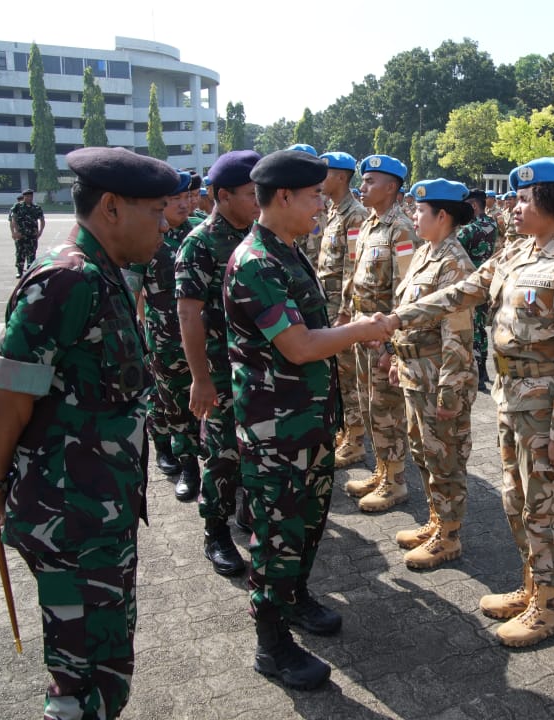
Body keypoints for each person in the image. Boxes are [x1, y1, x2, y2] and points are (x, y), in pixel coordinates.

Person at [0, 147, 180, 719]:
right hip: (71, 523)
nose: (166, 224)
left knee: (101, 664)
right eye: (156, 211)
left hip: (96, 516)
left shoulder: (105, 275)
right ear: (111, 207)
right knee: (83, 677)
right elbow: (3, 398)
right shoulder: (67, 281)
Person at [384, 157, 554, 647]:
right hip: (511, 399)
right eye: (516, 198)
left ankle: (549, 605)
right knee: (516, 501)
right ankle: (531, 585)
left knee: (546, 508)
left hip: (547, 411)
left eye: (524, 199)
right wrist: (399, 318)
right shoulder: (517, 253)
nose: (513, 207)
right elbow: (461, 291)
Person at [223, 149, 392, 690]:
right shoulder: (256, 262)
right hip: (276, 431)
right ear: (284, 198)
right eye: (315, 195)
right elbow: (297, 346)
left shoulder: (287, 251)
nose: (323, 203)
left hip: (306, 422)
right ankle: (271, 645)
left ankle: (293, 599)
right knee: (277, 536)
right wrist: (362, 329)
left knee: (306, 524)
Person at [386, 178, 478, 569]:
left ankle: (449, 536)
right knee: (424, 453)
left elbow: (457, 333)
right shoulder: (427, 254)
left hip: (438, 376)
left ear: (442, 216)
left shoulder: (455, 263)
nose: (413, 216)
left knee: (445, 458)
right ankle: (436, 520)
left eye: (420, 211)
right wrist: (396, 360)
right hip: (414, 373)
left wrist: (450, 392)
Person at [176, 149, 261, 576]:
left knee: (255, 449)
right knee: (224, 453)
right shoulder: (200, 243)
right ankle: (215, 531)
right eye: (251, 194)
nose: (258, 202)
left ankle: (246, 513)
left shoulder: (259, 236)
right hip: (221, 370)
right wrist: (200, 379)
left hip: (258, 369)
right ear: (221, 195)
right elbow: (188, 314)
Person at [337, 154, 421, 511]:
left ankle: (396, 481)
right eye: (363, 180)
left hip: (382, 336)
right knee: (368, 405)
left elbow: (406, 290)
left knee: (387, 410)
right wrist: (345, 314)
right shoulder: (369, 224)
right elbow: (354, 275)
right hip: (361, 332)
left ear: (391, 187)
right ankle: (381, 470)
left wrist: (392, 345)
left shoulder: (401, 228)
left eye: (371, 181)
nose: (363, 186)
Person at [122, 171, 204, 499]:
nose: (185, 203)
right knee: (173, 405)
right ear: (162, 202)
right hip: (165, 338)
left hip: (200, 336)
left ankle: (208, 459)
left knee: (205, 402)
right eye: (176, 199)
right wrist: (143, 331)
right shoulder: (147, 236)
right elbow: (134, 292)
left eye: (188, 197)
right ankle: (187, 466)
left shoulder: (199, 233)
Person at [317, 151, 371, 468]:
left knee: (348, 376)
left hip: (342, 308)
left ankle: (356, 440)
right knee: (338, 375)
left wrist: (346, 312)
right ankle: (346, 430)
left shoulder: (355, 215)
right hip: (330, 304)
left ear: (341, 176)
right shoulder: (335, 212)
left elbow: (354, 267)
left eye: (325, 172)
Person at [456, 188, 499, 391]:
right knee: (481, 327)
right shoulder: (492, 223)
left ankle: (477, 373)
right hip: (487, 282)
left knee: (472, 328)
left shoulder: (469, 230)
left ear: (473, 205)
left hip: (471, 283)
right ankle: (483, 371)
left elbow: (454, 250)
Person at [9, 188, 45, 278]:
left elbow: (42, 220)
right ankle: (19, 271)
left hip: (32, 235)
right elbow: (13, 219)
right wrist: (14, 232)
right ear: (24, 196)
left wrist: (40, 232)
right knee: (20, 253)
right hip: (20, 235)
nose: (29, 198)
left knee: (32, 254)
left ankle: (30, 271)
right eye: (27, 196)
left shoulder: (37, 208)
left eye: (31, 196)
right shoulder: (17, 206)